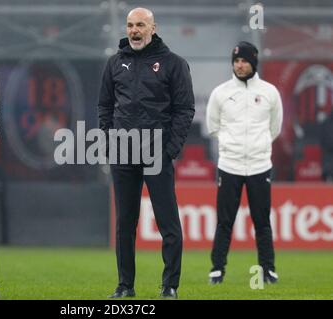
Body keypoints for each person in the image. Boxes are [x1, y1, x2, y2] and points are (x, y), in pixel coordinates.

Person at [98, 7, 195, 299]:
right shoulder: (115, 63)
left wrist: (170, 149)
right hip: (123, 153)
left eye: (140, 25)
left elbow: (185, 109)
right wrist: (108, 139)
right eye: (130, 25)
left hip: (157, 153)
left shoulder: (173, 64)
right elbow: (104, 106)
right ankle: (125, 286)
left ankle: (170, 286)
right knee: (125, 225)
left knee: (168, 223)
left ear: (153, 28)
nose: (134, 30)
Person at [206, 41, 283, 284]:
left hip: (260, 166)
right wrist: (231, 146)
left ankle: (268, 270)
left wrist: (258, 147)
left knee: (262, 222)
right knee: (225, 222)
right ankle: (217, 270)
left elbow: (275, 128)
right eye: (236, 61)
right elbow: (213, 127)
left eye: (244, 61)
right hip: (229, 166)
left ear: (253, 62)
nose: (240, 66)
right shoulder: (221, 92)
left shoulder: (270, 92)